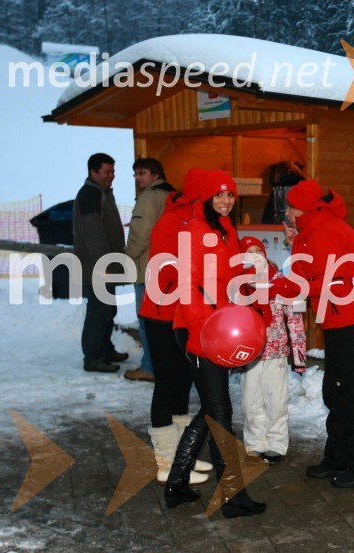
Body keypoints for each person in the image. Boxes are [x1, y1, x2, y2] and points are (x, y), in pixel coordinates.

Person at [164, 169, 266, 518]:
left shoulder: (225, 229)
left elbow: (229, 276)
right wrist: (203, 331)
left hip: (219, 328)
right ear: (204, 198)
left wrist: (250, 273)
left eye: (230, 196)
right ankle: (233, 496)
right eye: (218, 196)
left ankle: (177, 484)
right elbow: (187, 285)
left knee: (212, 410)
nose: (225, 202)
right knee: (220, 412)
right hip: (198, 331)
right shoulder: (194, 231)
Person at [285, 179, 354, 488]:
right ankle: (338, 457)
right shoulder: (312, 229)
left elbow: (334, 283)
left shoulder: (327, 231)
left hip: (351, 321)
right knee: (336, 392)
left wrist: (294, 286)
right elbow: (305, 272)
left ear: (306, 207)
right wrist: (294, 241)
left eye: (290, 206)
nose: (286, 211)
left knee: (353, 395)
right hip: (340, 321)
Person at [140, 169, 211, 486]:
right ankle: (166, 462)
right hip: (161, 313)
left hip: (185, 314)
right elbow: (168, 271)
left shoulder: (201, 222)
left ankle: (183, 457)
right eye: (215, 194)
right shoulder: (171, 222)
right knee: (167, 383)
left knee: (184, 383)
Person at [238, 236, 306, 465]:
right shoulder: (238, 286)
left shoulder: (280, 282)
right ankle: (256, 443)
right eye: (249, 252)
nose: (255, 255)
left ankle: (276, 444)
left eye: (258, 250)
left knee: (276, 401)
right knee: (251, 401)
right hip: (249, 355)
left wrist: (298, 355)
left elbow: (295, 320)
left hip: (275, 352)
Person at [72, 152, 128, 373]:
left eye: (113, 171)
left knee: (108, 309)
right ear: (93, 172)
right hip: (98, 267)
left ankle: (105, 349)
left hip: (105, 265)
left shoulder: (102, 192)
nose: (111, 176)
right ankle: (93, 357)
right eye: (107, 172)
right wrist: (105, 264)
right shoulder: (90, 195)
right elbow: (92, 232)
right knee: (99, 311)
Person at [124, 158, 175, 382]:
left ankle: (149, 367)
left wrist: (128, 256)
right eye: (135, 174)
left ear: (155, 175)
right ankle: (167, 365)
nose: (138, 178)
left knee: (146, 321)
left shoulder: (148, 198)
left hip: (147, 267)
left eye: (142, 173)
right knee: (166, 322)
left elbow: (140, 233)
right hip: (169, 268)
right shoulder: (171, 195)